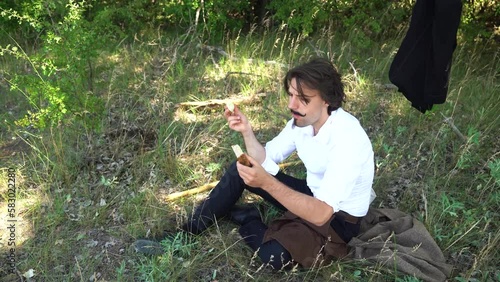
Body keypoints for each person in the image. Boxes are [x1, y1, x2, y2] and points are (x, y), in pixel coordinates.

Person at [134, 58, 375, 269]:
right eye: (291, 95)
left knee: (273, 257)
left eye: (303, 99)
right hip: (313, 194)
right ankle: (184, 236)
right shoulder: (301, 122)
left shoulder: (347, 139)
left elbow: (322, 214)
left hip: (339, 220)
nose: (292, 105)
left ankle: (248, 217)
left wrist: (268, 184)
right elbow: (266, 159)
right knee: (245, 166)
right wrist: (247, 131)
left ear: (327, 100)